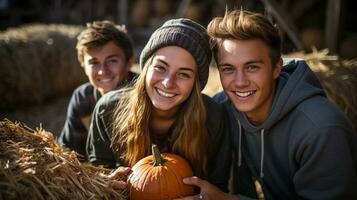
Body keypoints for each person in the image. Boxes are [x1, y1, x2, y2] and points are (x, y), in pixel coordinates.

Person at [178, 10, 357, 200]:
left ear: (276, 68)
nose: (240, 82)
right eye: (228, 69)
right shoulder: (223, 107)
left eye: (252, 67)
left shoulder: (320, 129)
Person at [86, 18, 231, 192]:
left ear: (196, 84)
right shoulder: (108, 109)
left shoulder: (213, 117)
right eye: (160, 67)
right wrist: (105, 184)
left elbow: (218, 185)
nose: (168, 83)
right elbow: (99, 169)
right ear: (146, 67)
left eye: (183, 74)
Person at [58, 20, 137, 158]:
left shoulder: (144, 94)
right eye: (94, 63)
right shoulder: (83, 98)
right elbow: (70, 153)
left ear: (129, 62)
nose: (103, 71)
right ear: (83, 65)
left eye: (112, 61)